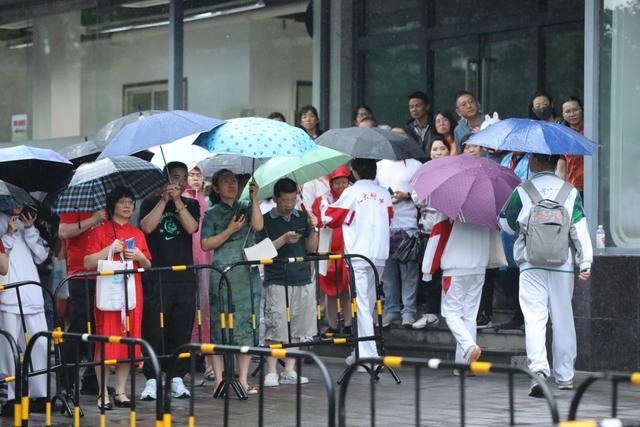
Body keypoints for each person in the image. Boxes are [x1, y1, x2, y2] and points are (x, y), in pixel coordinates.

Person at [499, 153, 592, 396]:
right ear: (554, 163)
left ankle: (539, 371)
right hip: (562, 264)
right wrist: (586, 262)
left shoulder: (523, 190)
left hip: (531, 264)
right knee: (563, 318)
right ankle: (565, 376)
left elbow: (506, 225)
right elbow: (579, 226)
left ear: (535, 163)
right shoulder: (570, 191)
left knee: (534, 318)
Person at [84, 187, 151, 409]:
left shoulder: (137, 232)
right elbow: (87, 262)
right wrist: (108, 249)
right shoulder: (99, 230)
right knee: (105, 339)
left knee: (129, 339)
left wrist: (140, 256)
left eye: (131, 202)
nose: (127, 206)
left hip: (132, 292)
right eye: (122, 202)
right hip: (108, 293)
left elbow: (148, 264)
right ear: (112, 205)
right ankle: (102, 392)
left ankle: (121, 390)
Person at [321, 158, 393, 364]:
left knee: (362, 304)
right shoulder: (383, 193)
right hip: (379, 254)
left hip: (359, 255)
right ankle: (362, 351)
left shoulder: (351, 193)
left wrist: (325, 204)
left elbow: (330, 219)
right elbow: (389, 216)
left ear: (355, 172)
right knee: (367, 303)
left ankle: (368, 354)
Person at [139, 161, 200, 401]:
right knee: (154, 327)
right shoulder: (150, 203)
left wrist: (177, 201)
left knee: (181, 328)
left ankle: (177, 377)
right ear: (165, 178)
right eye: (176, 177)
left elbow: (191, 227)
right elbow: (147, 227)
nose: (180, 182)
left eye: (184, 178)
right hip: (157, 276)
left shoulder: (192, 204)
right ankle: (152, 378)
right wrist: (164, 200)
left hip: (184, 276)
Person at [201, 169, 263, 395]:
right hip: (223, 271)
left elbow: (257, 226)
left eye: (234, 181)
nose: (231, 185)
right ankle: (219, 380)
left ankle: (244, 379)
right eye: (225, 182)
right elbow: (206, 244)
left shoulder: (246, 206)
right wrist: (230, 230)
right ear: (215, 188)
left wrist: (254, 198)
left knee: (246, 325)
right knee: (220, 325)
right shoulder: (212, 213)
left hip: (246, 272)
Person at [259, 178, 318, 387]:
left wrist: (314, 228)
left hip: (301, 278)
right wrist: (283, 239)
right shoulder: (265, 220)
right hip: (276, 279)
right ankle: (271, 371)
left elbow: (312, 247)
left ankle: (290, 370)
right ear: (275, 199)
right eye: (285, 200)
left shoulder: (302, 217)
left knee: (298, 329)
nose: (289, 204)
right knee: (276, 327)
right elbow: (260, 252)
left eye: (293, 199)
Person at [420, 211, 490, 366]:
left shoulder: (450, 206)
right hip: (479, 266)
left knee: (451, 313)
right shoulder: (486, 206)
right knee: (469, 316)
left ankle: (468, 346)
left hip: (455, 266)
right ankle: (464, 364)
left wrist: (428, 270)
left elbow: (438, 235)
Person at [0, 206, 49, 410]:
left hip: (31, 292)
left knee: (40, 344)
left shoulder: (25, 221)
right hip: (8, 293)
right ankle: (9, 396)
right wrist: (9, 233)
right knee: (8, 347)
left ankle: (40, 394)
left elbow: (42, 255)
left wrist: (30, 229)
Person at [58, 208, 107, 395]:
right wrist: (93, 219)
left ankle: (92, 379)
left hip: (103, 272)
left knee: (99, 328)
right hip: (80, 274)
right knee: (79, 325)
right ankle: (66, 379)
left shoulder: (105, 206)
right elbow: (63, 232)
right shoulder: (73, 205)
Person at [376, 155, 422, 327]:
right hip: (385, 224)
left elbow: (423, 192)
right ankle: (391, 309)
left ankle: (409, 311)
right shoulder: (380, 165)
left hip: (407, 224)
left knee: (409, 272)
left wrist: (408, 195)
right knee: (387, 274)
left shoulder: (415, 165)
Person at [411, 135, 450, 330]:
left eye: (442, 148)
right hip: (428, 230)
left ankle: (449, 312)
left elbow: (450, 199)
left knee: (448, 271)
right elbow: (417, 197)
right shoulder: (424, 171)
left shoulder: (454, 171)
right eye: (435, 149)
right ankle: (431, 312)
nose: (438, 152)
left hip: (448, 231)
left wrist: (431, 199)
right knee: (429, 272)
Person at [311, 166, 352, 334]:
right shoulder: (323, 200)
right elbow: (319, 219)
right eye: (337, 183)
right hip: (327, 248)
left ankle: (348, 324)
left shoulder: (353, 198)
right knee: (329, 290)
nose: (341, 186)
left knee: (346, 289)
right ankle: (333, 325)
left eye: (344, 182)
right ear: (331, 184)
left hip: (346, 247)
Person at [183, 164, 215, 380]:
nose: (195, 178)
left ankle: (209, 359)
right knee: (190, 309)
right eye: (192, 174)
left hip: (207, 258)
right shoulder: (183, 199)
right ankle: (188, 356)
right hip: (189, 258)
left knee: (206, 307)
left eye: (198, 174)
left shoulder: (207, 199)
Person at [560, 96, 585, 194]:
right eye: (567, 111)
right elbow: (561, 167)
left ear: (582, 110)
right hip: (572, 188)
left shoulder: (593, 130)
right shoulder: (562, 136)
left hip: (594, 184)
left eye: (575, 110)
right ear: (563, 114)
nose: (572, 114)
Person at [403, 91, 433, 156]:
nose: (414, 109)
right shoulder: (407, 129)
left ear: (427, 106)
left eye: (417, 106)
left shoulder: (435, 125)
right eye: (411, 107)